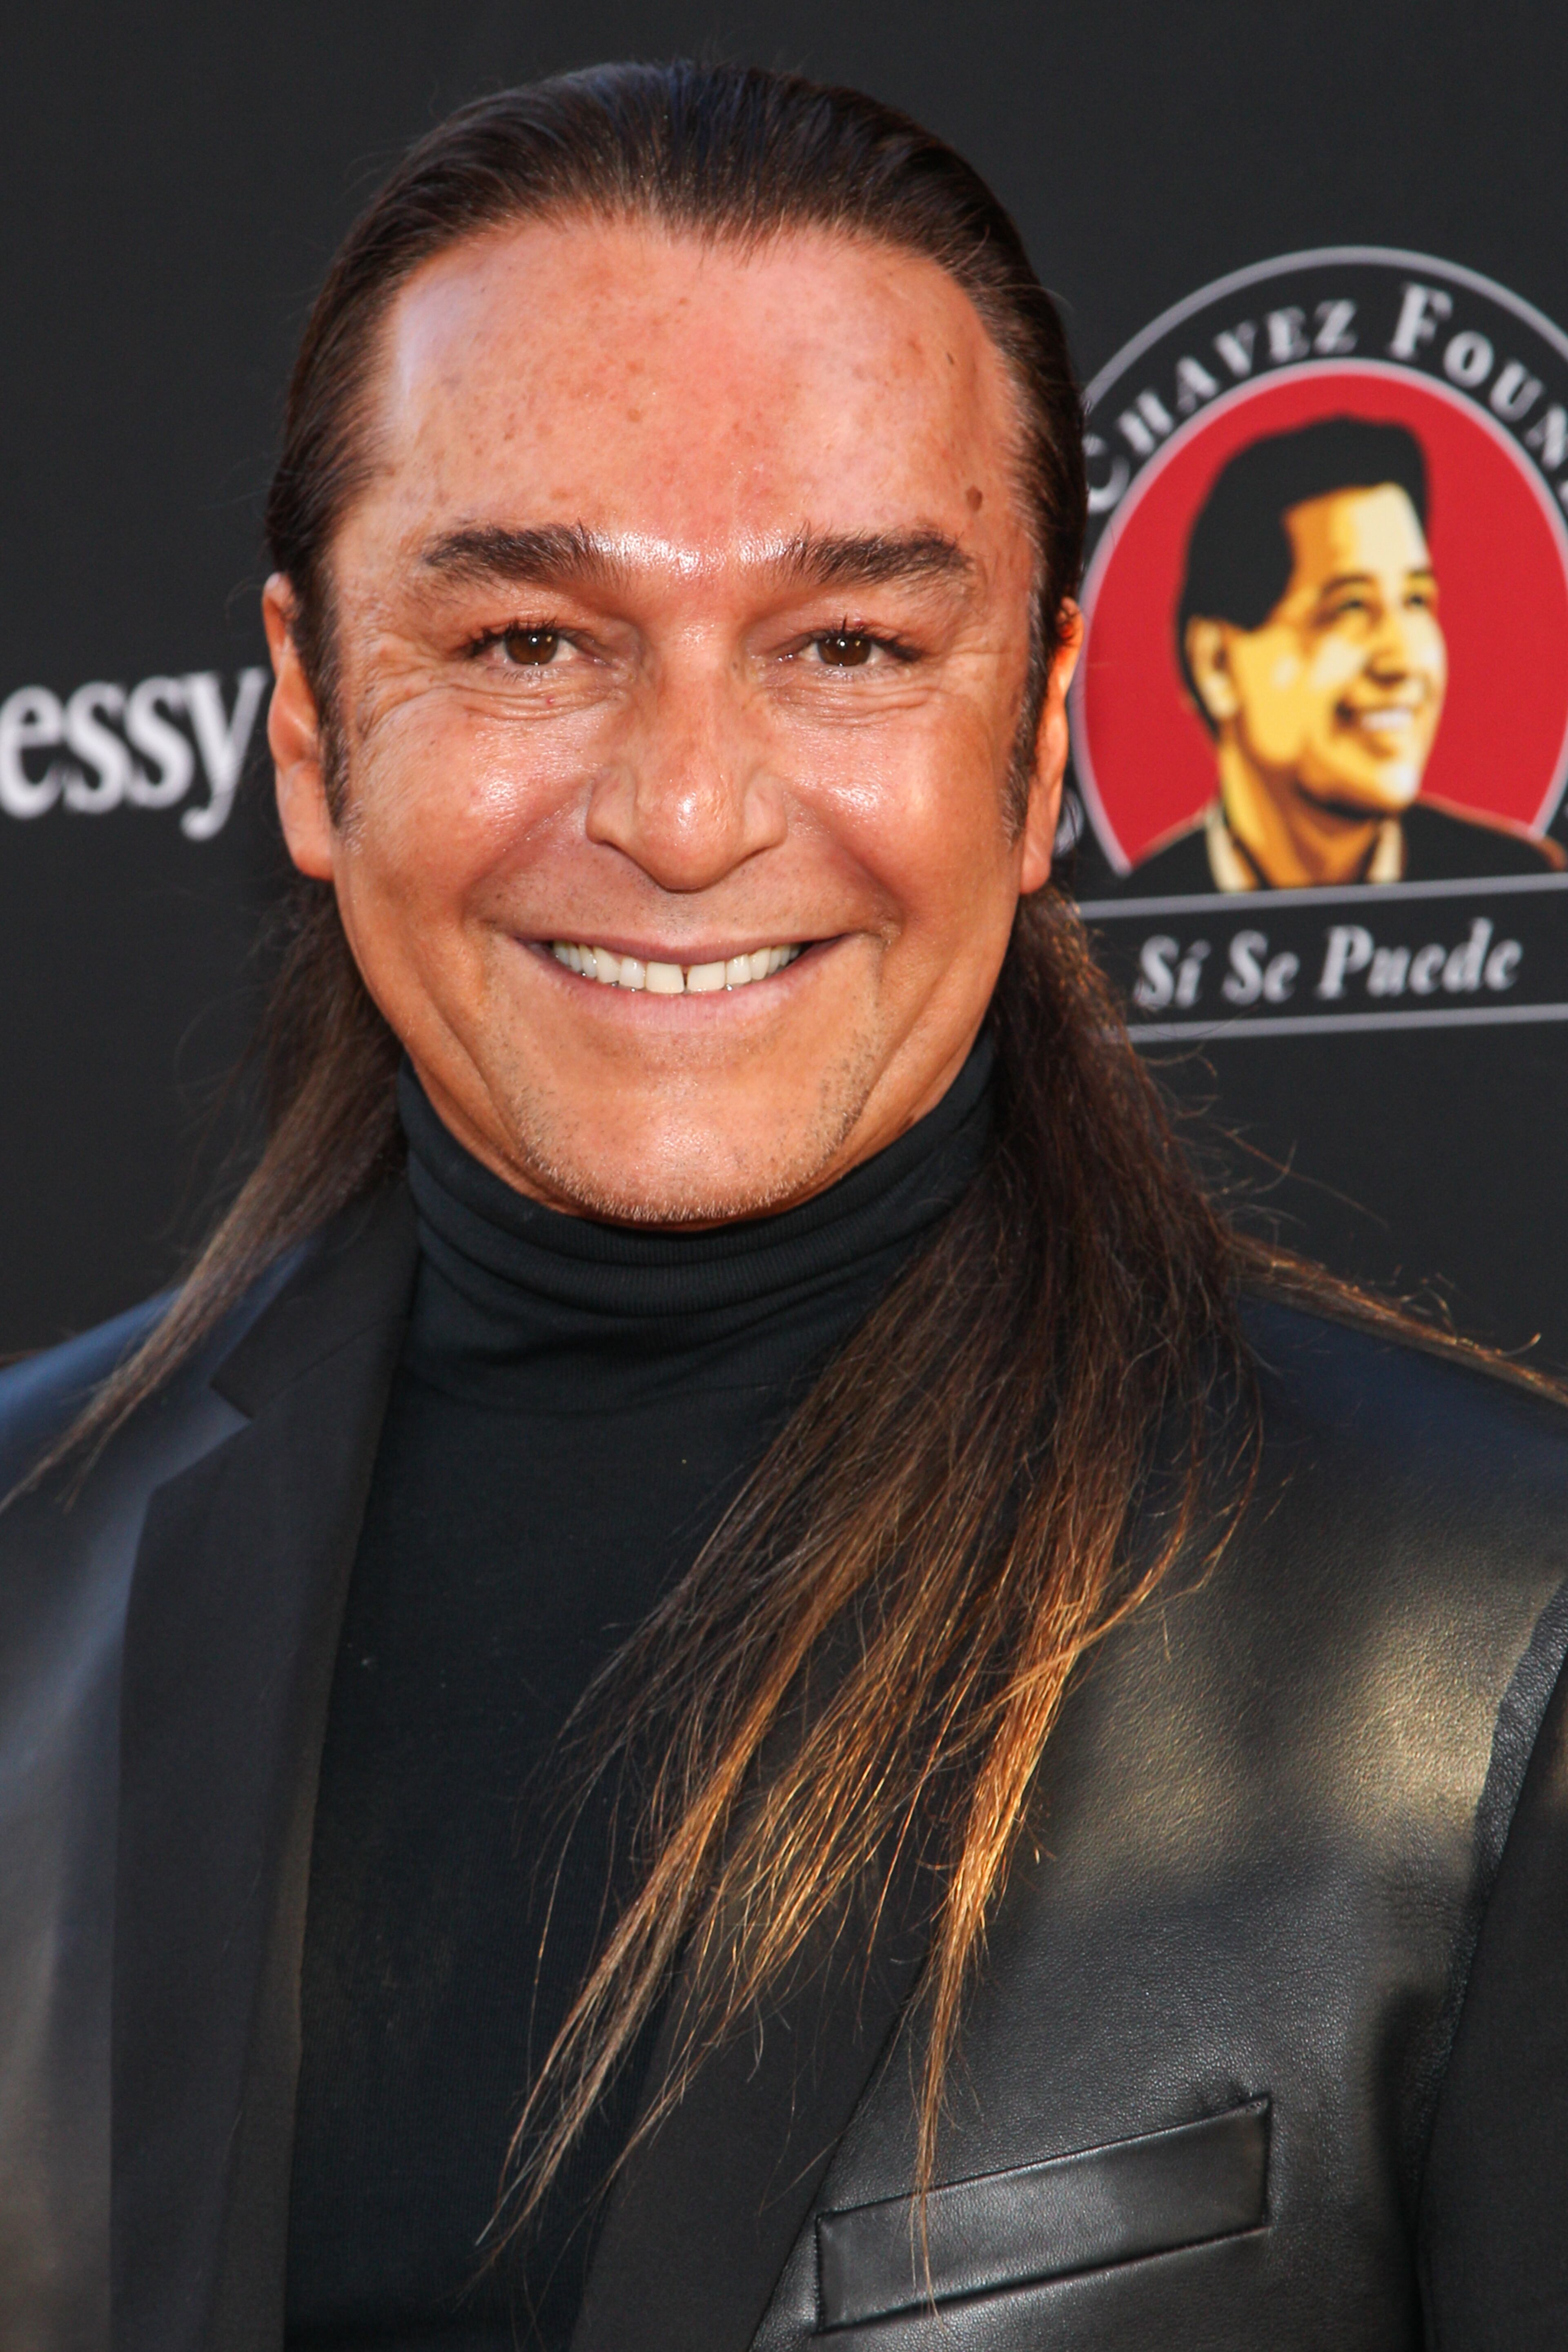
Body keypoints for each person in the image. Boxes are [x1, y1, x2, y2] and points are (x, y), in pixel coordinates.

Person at [2, 63, 1566, 2352]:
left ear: (1036, 744)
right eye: (528, 641)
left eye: (847, 646)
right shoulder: (29, 1575)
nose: (685, 808)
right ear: (315, 735)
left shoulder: (1488, 1644)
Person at [1125, 415, 1563, 891]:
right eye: (1350, 607)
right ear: (1217, 664)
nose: (1402, 661)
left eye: (1416, 601)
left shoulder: (1518, 890)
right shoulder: (1127, 919)